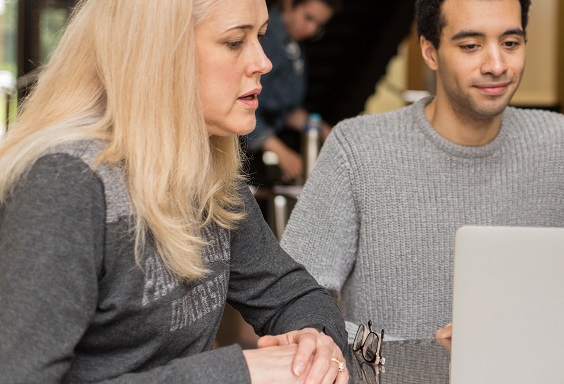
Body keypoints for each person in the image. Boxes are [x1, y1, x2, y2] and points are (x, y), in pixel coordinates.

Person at [0, 1, 350, 383]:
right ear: (162, 54)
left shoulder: (208, 168)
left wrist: (315, 341)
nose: (263, 62)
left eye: (261, 36)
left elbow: (289, 292)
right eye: (235, 41)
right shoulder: (66, 184)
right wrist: (233, 373)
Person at [282, 0, 564, 340]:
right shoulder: (357, 149)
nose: (496, 65)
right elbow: (291, 303)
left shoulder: (563, 146)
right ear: (430, 51)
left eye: (510, 43)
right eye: (471, 46)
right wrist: (412, 351)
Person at [244, 0, 337, 184]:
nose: (311, 29)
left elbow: (287, 110)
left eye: (319, 25)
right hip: (244, 147)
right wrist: (280, 151)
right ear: (288, 4)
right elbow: (243, 100)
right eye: (308, 18)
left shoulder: (294, 45)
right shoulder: (267, 38)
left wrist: (324, 130)